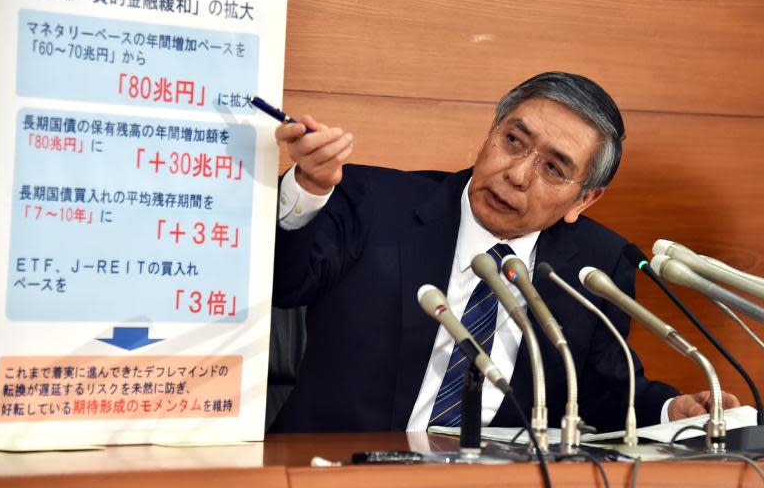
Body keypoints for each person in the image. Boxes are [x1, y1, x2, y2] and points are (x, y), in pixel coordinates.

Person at [269, 71, 739, 433]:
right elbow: (285, 281)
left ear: (584, 199)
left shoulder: (597, 263)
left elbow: (600, 392)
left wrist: (669, 409)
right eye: (513, 141)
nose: (516, 174)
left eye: (554, 168)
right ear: (490, 131)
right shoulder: (376, 202)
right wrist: (309, 188)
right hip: (333, 470)